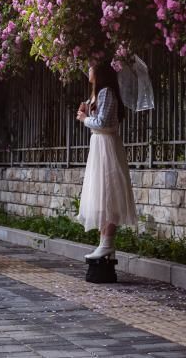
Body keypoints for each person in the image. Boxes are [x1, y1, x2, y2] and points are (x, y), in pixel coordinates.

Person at [76, 62, 137, 259]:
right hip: (98, 145)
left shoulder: (107, 92)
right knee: (101, 194)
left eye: (92, 67)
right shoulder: (98, 94)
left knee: (109, 193)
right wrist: (86, 111)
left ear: (100, 72)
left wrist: (85, 118)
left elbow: (103, 123)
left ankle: (107, 243)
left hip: (106, 146)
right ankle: (104, 243)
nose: (88, 70)